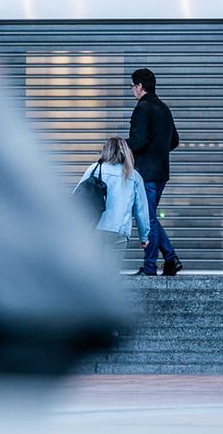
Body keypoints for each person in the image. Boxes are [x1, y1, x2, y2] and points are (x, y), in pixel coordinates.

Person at [127, 67, 183, 277]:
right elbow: (175, 141)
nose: (132, 90)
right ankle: (170, 258)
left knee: (148, 219)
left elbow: (138, 141)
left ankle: (150, 267)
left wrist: (119, 146)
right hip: (161, 172)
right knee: (150, 216)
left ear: (140, 86)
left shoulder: (142, 108)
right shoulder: (163, 108)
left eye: (133, 86)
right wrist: (158, 150)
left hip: (146, 173)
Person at [76, 136, 151, 268]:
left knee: (91, 273)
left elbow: (77, 197)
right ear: (126, 152)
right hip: (118, 232)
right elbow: (141, 211)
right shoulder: (133, 176)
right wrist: (144, 237)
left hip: (93, 229)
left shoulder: (93, 169)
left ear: (106, 150)